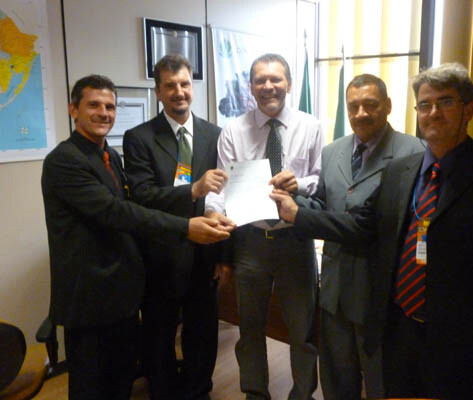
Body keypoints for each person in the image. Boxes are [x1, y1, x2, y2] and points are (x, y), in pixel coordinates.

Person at [272, 63, 473, 399]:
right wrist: (294, 209)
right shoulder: (402, 171)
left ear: (468, 109)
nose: (434, 112)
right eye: (425, 104)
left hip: (462, 343)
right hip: (399, 329)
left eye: (446, 102)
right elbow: (363, 223)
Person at [41, 75, 231, 400]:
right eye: (94, 105)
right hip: (90, 294)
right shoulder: (64, 161)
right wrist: (186, 227)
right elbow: (119, 211)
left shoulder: (109, 156)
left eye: (110, 106)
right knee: (91, 385)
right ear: (73, 110)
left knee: (120, 380)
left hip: (122, 292)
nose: (104, 113)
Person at [295, 74, 424, 399]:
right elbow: (324, 203)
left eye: (370, 105)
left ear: (388, 106)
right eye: (353, 107)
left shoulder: (413, 153)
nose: (361, 113)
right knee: (337, 378)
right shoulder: (332, 151)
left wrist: (296, 214)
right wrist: (293, 199)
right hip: (335, 288)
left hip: (378, 292)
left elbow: (382, 224)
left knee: (382, 380)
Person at [206, 53, 324, 400]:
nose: (268, 86)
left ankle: (302, 394)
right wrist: (212, 212)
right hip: (250, 242)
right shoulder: (233, 130)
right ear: (251, 87)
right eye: (260, 80)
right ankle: (255, 393)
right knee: (250, 329)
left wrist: (299, 183)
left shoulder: (311, 126)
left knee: (302, 330)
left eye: (276, 79)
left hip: (295, 241)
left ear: (289, 83)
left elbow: (322, 179)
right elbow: (221, 186)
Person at [123, 55, 234, 400]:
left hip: (204, 254)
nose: (179, 92)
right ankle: (164, 392)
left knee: (202, 332)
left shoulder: (216, 135)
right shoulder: (139, 138)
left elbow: (225, 196)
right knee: (159, 335)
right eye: (170, 85)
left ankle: (199, 390)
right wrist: (193, 189)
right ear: (158, 92)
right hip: (161, 255)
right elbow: (142, 195)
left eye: (184, 84)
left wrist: (223, 254)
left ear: (193, 87)